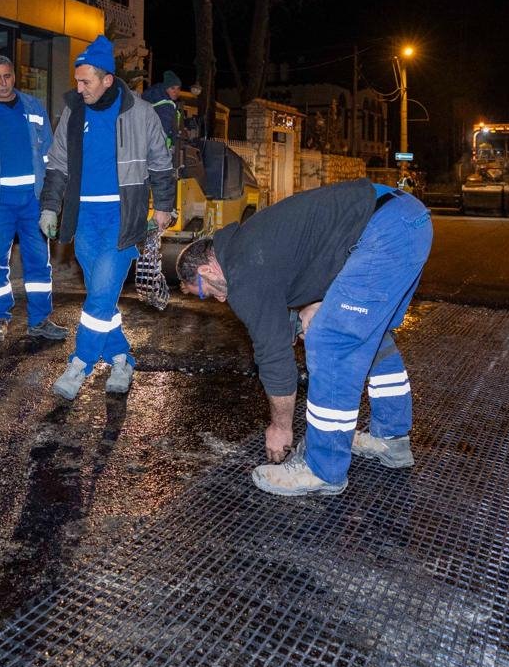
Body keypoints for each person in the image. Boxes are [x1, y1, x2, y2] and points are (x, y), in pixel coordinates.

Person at [175, 178, 430, 497]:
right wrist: (315, 303)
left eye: (203, 293)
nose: (216, 300)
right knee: (372, 337)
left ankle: (322, 469)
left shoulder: (243, 274)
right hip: (405, 219)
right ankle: (391, 440)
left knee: (331, 343)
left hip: (383, 231)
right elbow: (315, 255)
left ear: (207, 272)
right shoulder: (248, 245)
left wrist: (281, 426)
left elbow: (274, 354)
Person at [39, 35, 175, 400]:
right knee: (101, 294)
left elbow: (163, 166)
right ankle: (121, 358)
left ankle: (79, 363)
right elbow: (57, 165)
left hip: (122, 217)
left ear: (108, 79)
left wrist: (163, 208)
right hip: (84, 217)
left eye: (86, 81)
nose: (79, 88)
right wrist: (50, 207)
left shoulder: (142, 114)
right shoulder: (74, 110)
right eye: (77, 80)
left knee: (99, 293)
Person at [0, 54, 66, 346]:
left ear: (14, 76)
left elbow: (51, 155)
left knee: (39, 262)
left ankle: (40, 321)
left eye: (7, 76)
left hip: (33, 201)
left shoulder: (33, 108)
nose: (3, 83)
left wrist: (52, 199)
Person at [140, 69, 183, 147]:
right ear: (166, 88)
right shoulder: (166, 106)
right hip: (159, 149)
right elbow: (163, 133)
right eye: (172, 88)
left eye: (178, 88)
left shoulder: (156, 100)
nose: (176, 92)